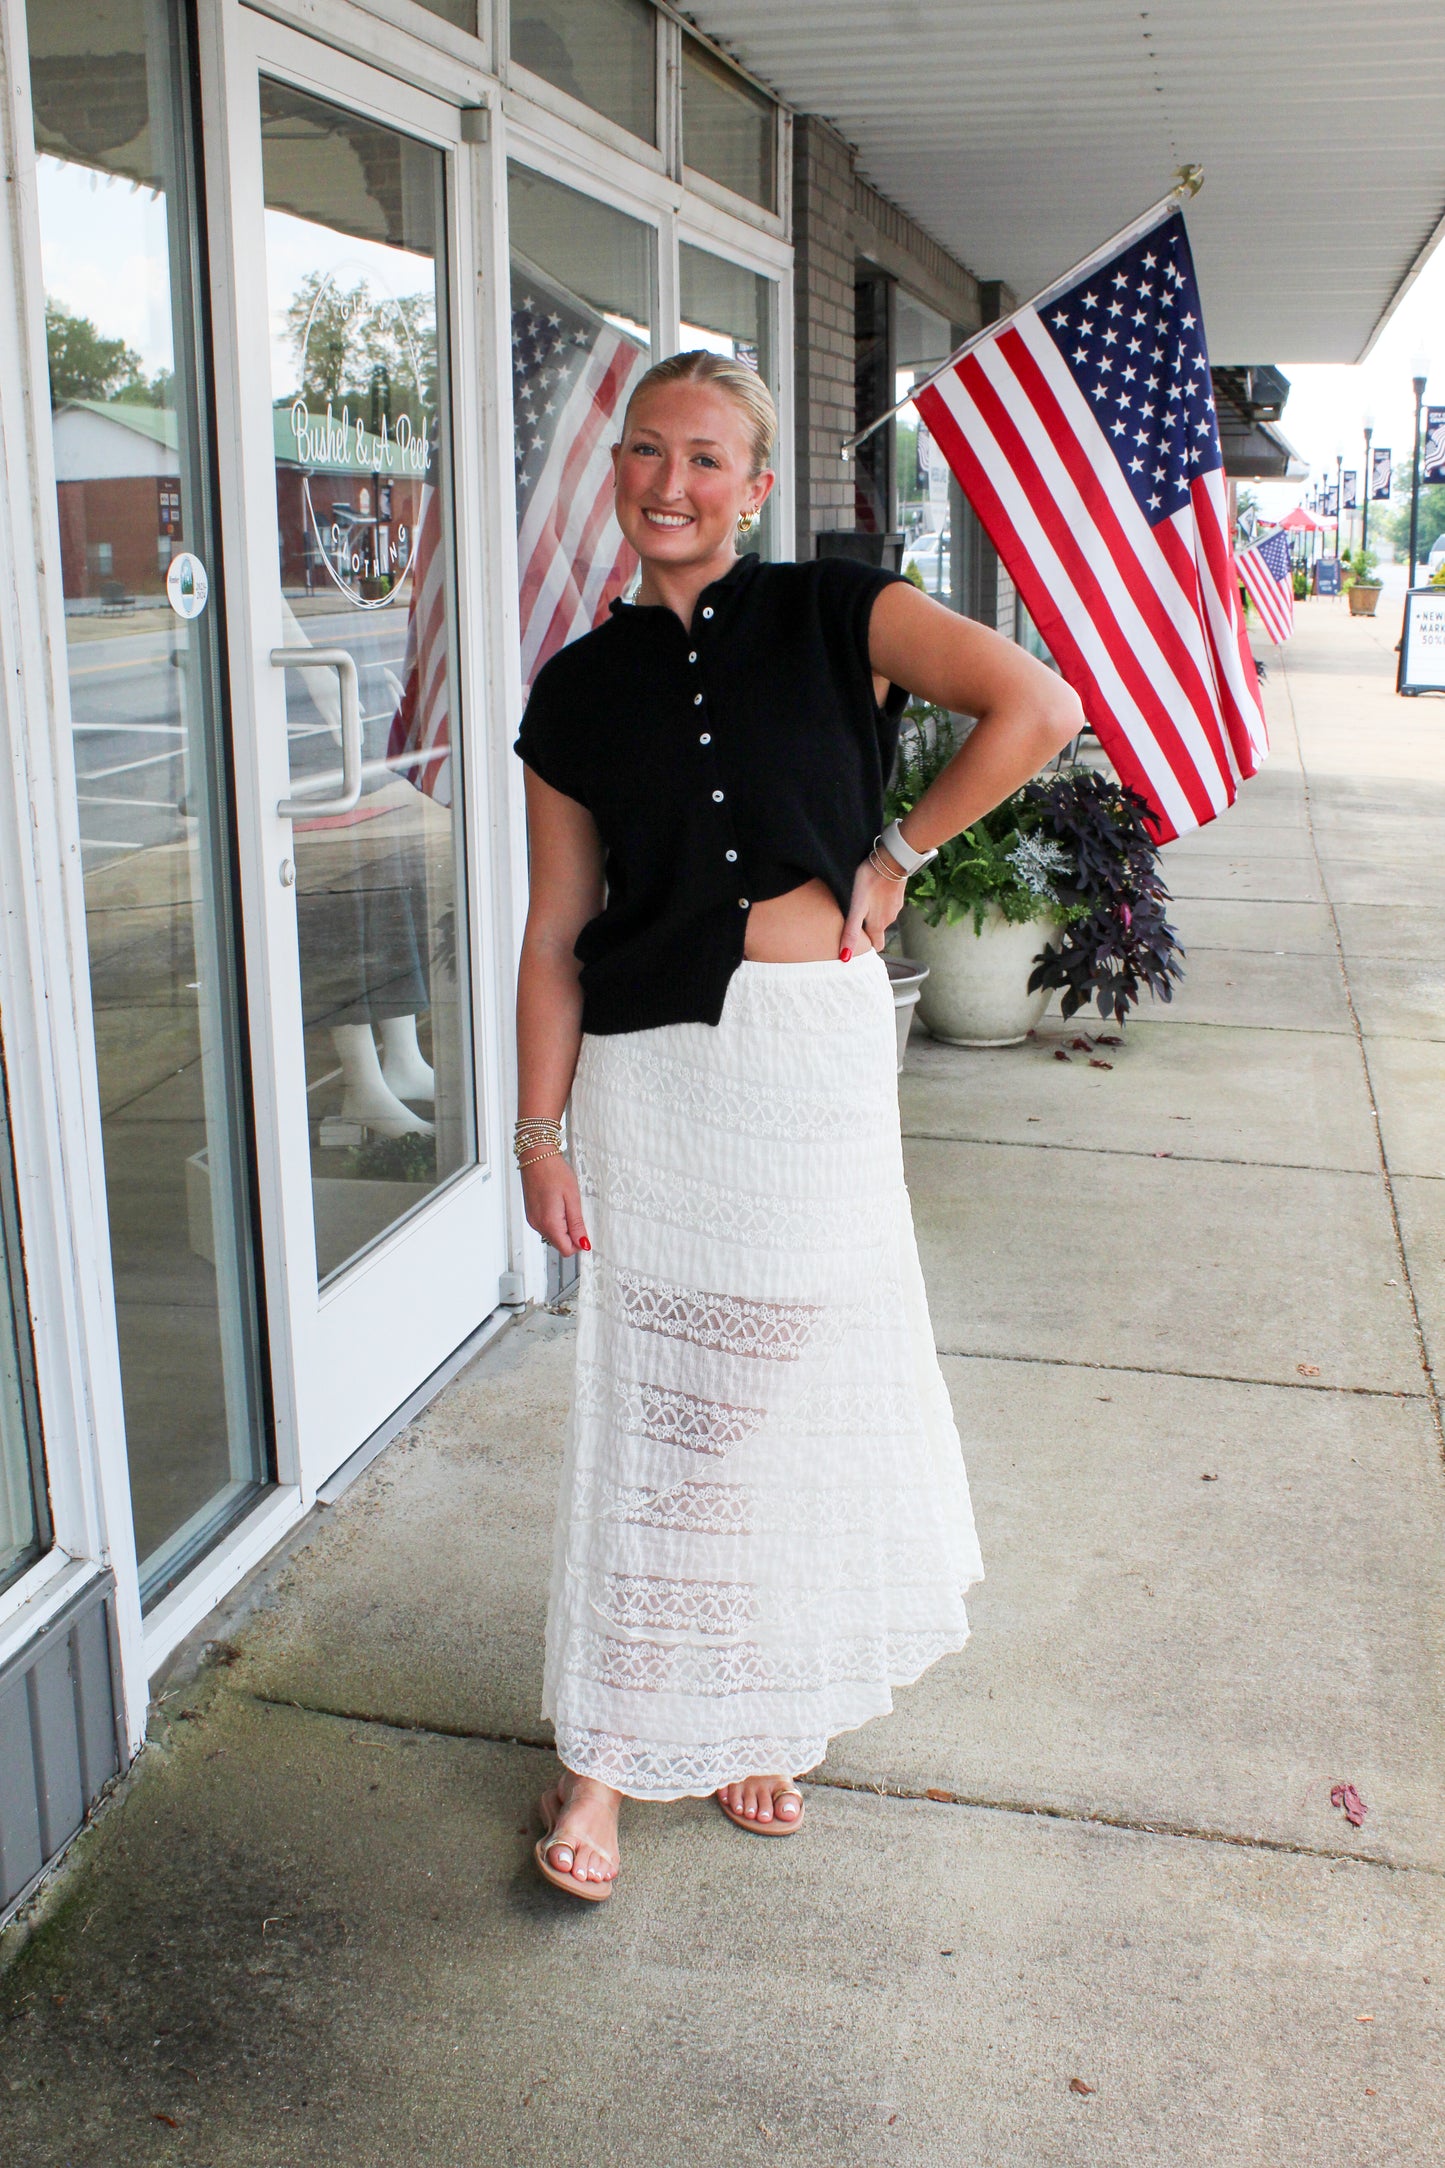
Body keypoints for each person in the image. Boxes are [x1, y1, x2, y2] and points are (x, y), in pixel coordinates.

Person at [514, 350, 1082, 1900]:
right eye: (645, 452)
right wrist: (539, 1134)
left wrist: (897, 850)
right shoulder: (572, 688)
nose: (671, 482)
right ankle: (610, 1763)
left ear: (755, 486)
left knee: (777, 1397)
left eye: (706, 457)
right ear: (616, 475)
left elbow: (1035, 704)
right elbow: (557, 926)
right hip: (655, 1081)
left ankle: (750, 1704)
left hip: (809, 1070)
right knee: (665, 1415)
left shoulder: (842, 613)